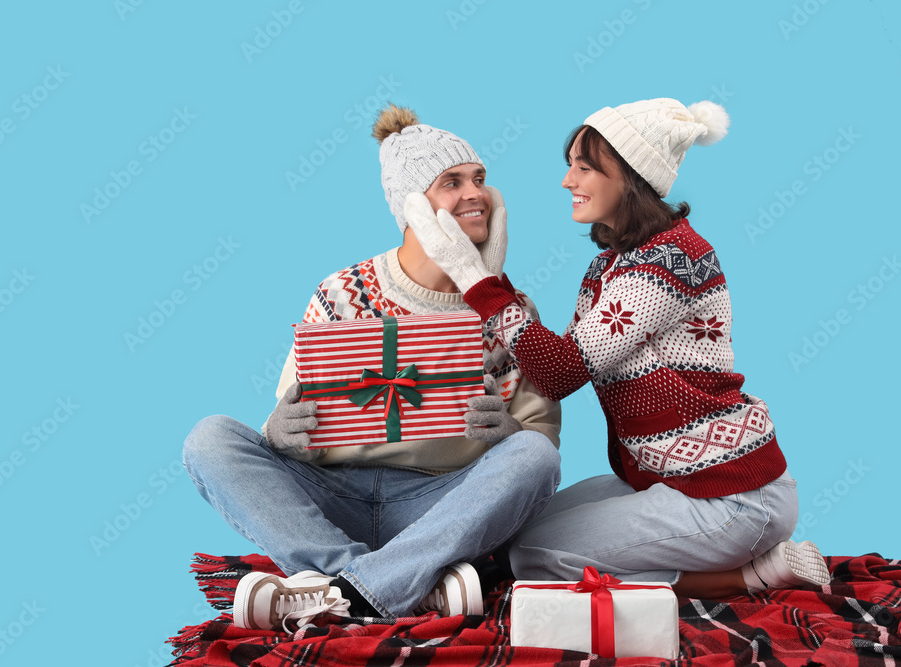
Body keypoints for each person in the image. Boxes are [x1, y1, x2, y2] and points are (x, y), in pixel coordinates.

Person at [405, 97, 830, 598]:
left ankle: (753, 574)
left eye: (584, 168)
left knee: (531, 555)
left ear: (629, 176)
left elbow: (561, 372)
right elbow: (550, 364)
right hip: (668, 479)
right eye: (570, 167)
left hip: (734, 496)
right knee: (513, 529)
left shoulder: (669, 262)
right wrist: (492, 274)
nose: (568, 181)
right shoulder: (611, 265)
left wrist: (475, 275)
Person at [183, 103, 562, 629]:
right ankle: (379, 583)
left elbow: (540, 439)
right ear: (414, 206)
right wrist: (277, 431)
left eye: (479, 179)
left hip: (442, 503)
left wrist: (510, 427)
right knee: (210, 438)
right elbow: (292, 410)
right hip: (336, 494)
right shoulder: (341, 292)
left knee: (533, 456)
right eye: (451, 182)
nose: (475, 193)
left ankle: (340, 592)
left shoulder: (510, 310)